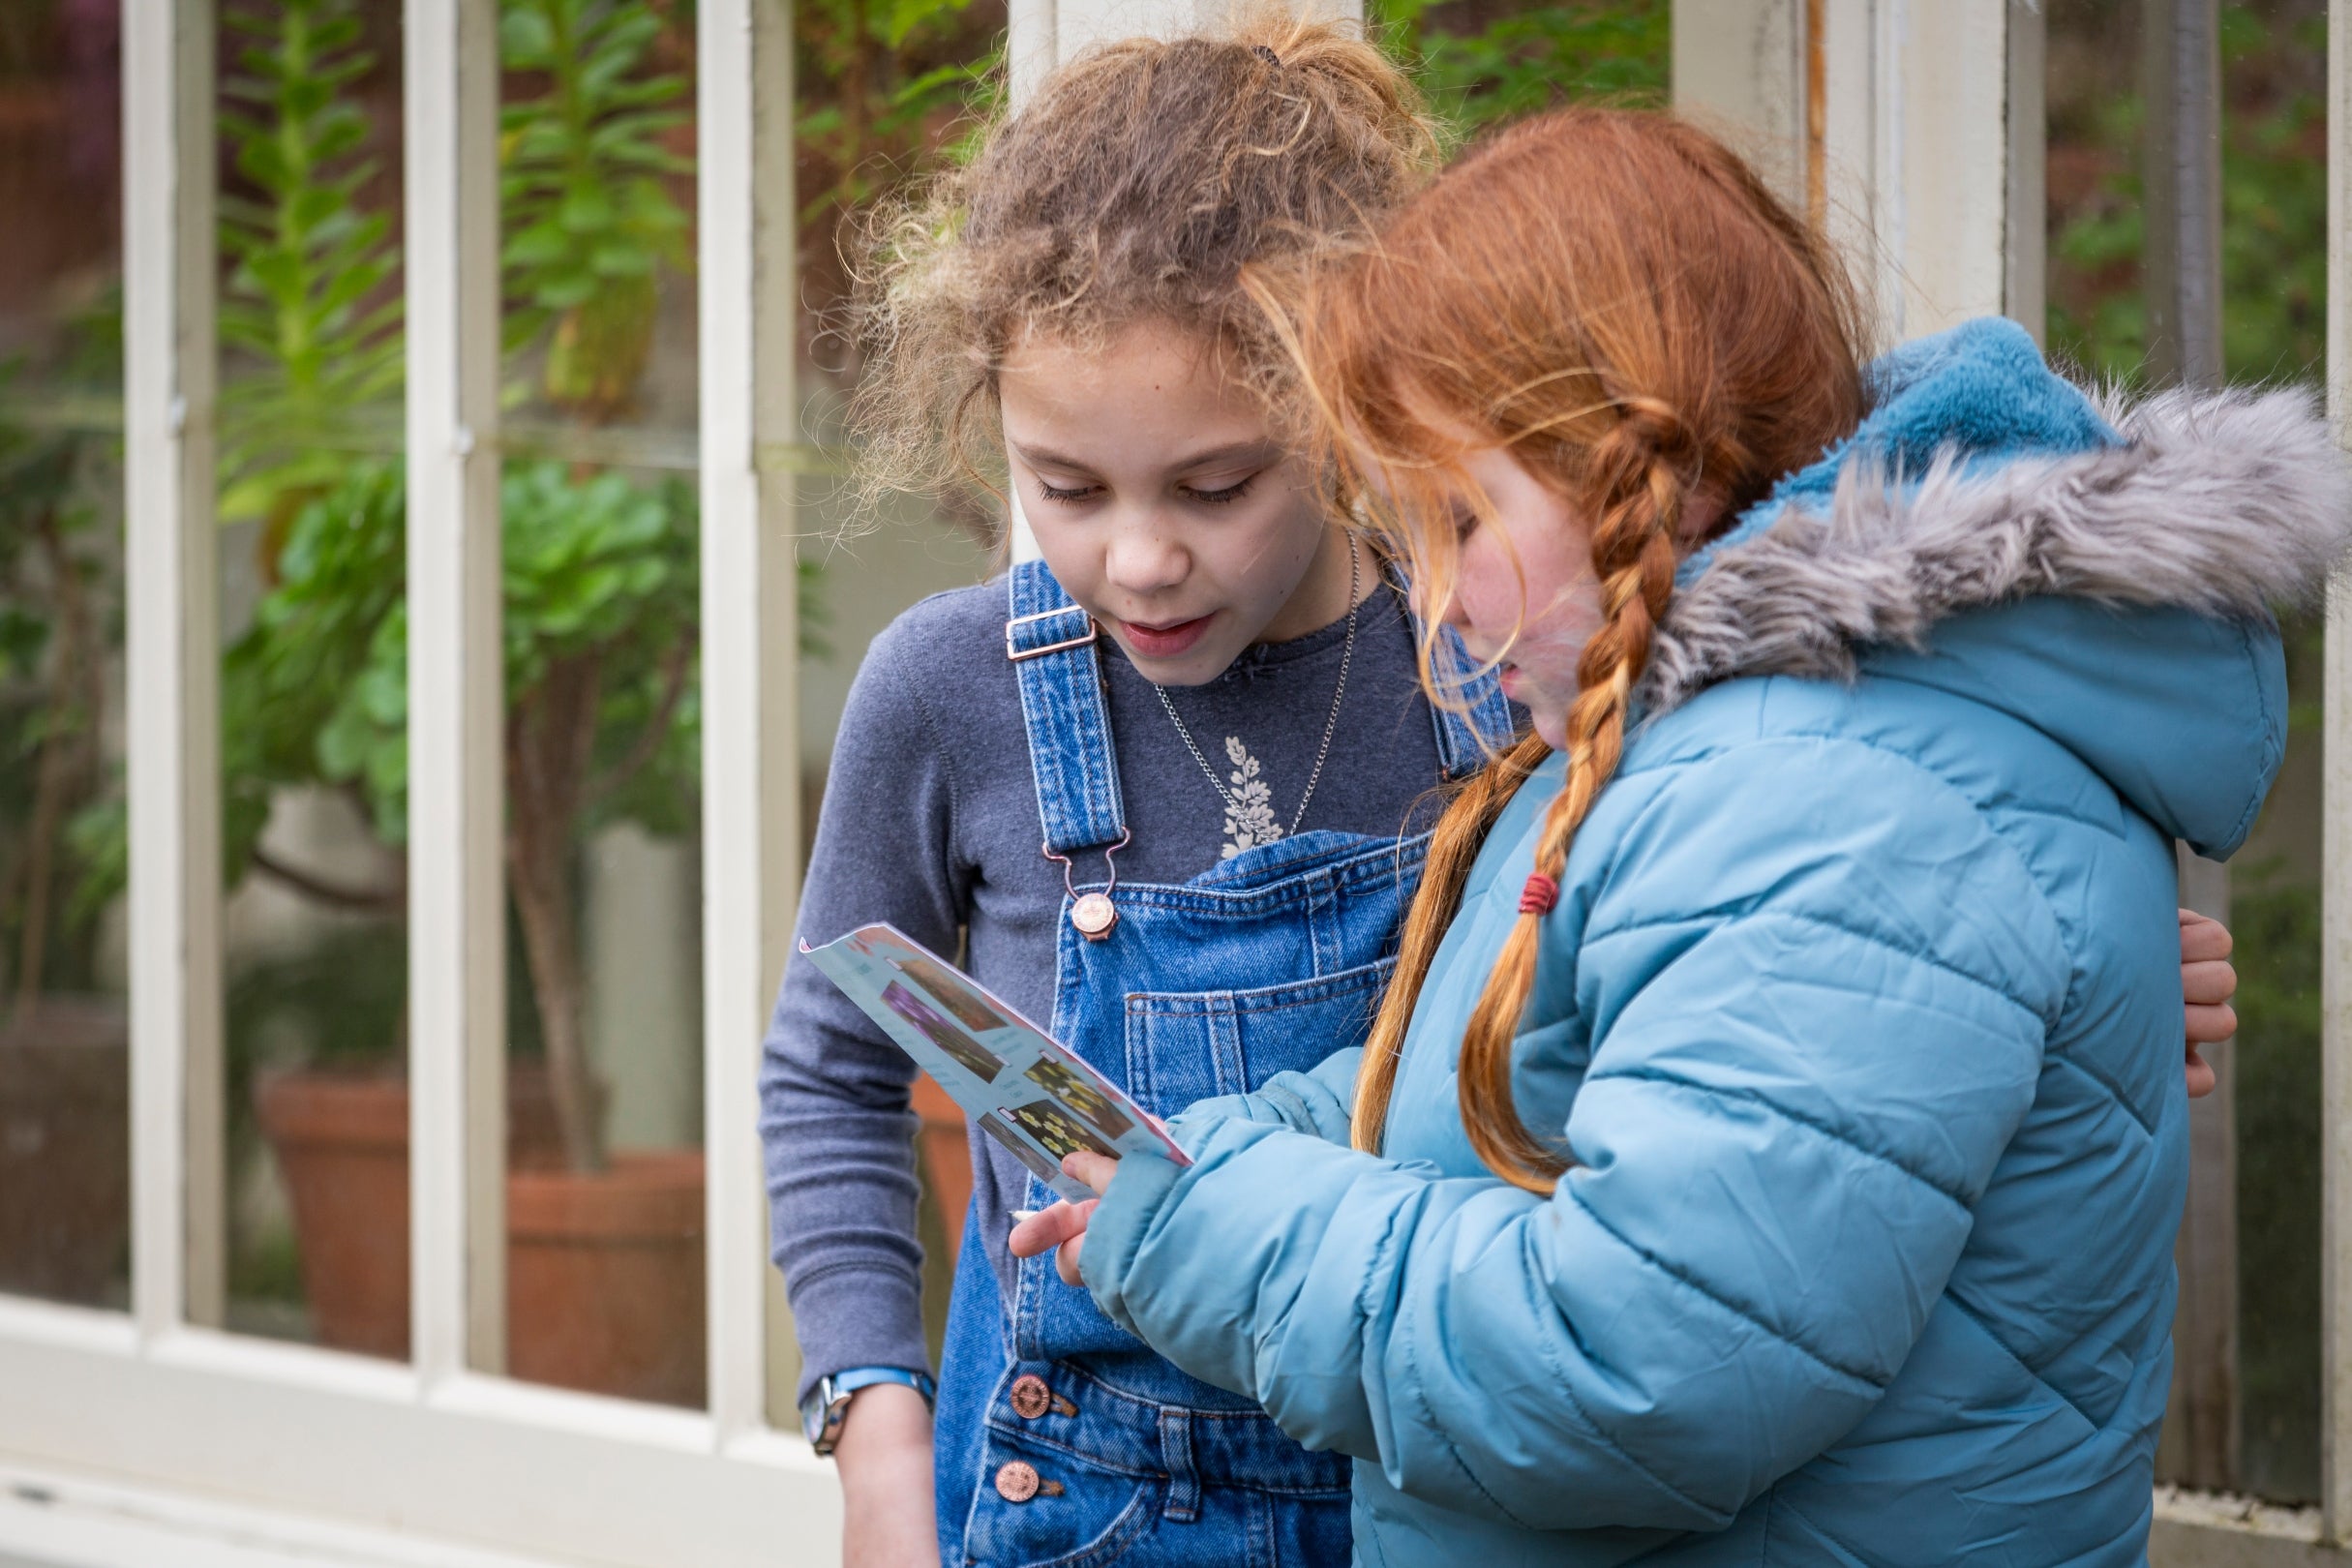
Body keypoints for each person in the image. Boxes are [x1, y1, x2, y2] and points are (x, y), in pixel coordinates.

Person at [1016, 107, 2338, 1564]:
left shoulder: (1828, 801)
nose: (1438, 597)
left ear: (1641, 468)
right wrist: (1220, 1154)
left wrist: (1223, 1236)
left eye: (1463, 515)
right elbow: (1524, 1086)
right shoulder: (1710, 735)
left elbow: (1628, 1375)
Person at [760, 19, 1513, 1568]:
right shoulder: (946, 691)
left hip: (1428, 1489)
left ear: (1351, 397)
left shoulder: (1502, 662)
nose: (1139, 559)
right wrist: (875, 1430)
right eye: (1067, 488)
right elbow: (828, 1075)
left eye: (1217, 485)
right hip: (1062, 1510)